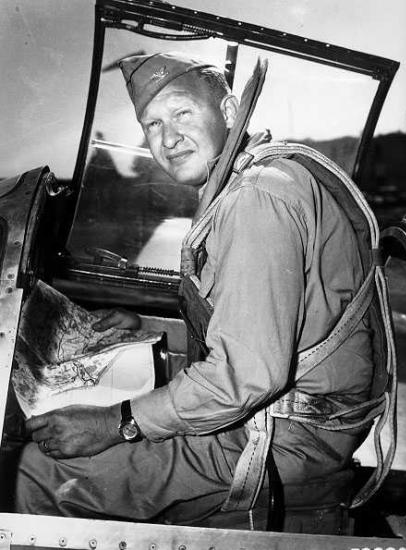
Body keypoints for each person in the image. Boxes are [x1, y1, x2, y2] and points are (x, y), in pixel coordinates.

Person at [15, 52, 374, 526]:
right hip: (293, 416)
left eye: (182, 112)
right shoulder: (254, 178)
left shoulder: (256, 199)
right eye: (152, 124)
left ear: (227, 112)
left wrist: (114, 423)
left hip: (284, 437)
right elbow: (261, 328)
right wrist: (145, 327)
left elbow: (244, 376)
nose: (167, 138)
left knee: (40, 472)